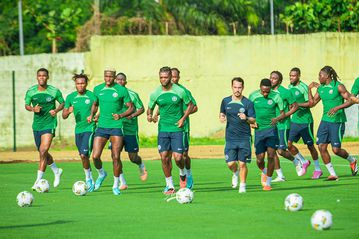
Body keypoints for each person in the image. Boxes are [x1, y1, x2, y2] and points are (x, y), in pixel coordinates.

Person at [147, 66, 194, 195]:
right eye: (161, 77)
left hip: (177, 129)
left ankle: (183, 173)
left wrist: (183, 118)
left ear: (170, 78)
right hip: (163, 129)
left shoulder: (180, 91)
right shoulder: (155, 93)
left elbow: (191, 105)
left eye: (166, 77)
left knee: (179, 158)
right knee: (164, 157)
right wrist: (150, 116)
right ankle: (170, 185)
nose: (163, 80)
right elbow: (149, 108)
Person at [88, 69, 134, 195]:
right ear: (104, 77)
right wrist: (92, 114)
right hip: (102, 126)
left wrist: (121, 115)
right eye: (106, 76)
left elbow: (131, 107)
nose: (108, 79)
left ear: (114, 77)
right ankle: (102, 173)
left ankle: (115, 185)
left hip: (116, 127)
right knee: (95, 156)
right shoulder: (97, 89)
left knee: (116, 156)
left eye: (110, 76)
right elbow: (95, 104)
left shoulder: (121, 90)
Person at [308, 66, 358, 180]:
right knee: (321, 146)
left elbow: (351, 100)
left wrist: (338, 107)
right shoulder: (320, 89)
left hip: (337, 121)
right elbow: (312, 103)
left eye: (320, 75)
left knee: (336, 150)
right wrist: (309, 90)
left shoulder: (338, 86)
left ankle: (352, 160)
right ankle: (333, 174)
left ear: (327, 76)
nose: (318, 77)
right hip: (325, 121)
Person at [25, 68, 64, 190]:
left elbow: (63, 103)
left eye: (44, 76)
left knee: (43, 151)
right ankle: (56, 170)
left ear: (47, 77)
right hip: (37, 125)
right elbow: (26, 105)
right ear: (37, 77)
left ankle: (38, 181)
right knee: (43, 152)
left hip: (49, 124)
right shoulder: (31, 91)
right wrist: (33, 109)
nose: (42, 77)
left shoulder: (54, 91)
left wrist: (56, 110)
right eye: (39, 76)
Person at [220, 77, 255, 193]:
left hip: (244, 138)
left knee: (243, 163)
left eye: (239, 87)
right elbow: (222, 112)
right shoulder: (225, 101)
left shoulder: (248, 103)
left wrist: (246, 118)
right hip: (230, 138)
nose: (237, 90)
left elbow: (253, 119)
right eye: (235, 87)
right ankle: (235, 173)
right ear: (232, 87)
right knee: (230, 163)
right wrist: (222, 116)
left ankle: (243, 186)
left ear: (243, 88)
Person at [62, 73, 96, 192]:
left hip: (90, 128)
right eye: (78, 83)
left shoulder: (92, 95)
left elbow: (100, 108)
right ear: (75, 84)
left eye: (82, 83)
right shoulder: (70, 97)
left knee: (84, 154)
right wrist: (68, 111)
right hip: (78, 130)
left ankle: (88, 179)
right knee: (82, 156)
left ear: (86, 84)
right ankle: (90, 176)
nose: (80, 85)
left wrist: (95, 116)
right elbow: (64, 115)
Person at [249, 78, 285, 191]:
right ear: (260, 87)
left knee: (271, 155)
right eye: (263, 91)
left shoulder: (276, 96)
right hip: (259, 131)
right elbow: (249, 113)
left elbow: (283, 113)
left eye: (267, 91)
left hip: (271, 130)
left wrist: (277, 118)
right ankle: (264, 171)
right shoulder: (253, 96)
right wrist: (251, 123)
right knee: (259, 159)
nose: (265, 93)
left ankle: (268, 182)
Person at [287, 67, 323, 179]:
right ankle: (303, 161)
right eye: (290, 75)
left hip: (305, 121)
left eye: (293, 76)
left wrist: (298, 104)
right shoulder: (289, 87)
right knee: (288, 144)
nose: (291, 77)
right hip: (294, 121)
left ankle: (317, 169)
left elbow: (311, 103)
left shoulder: (303, 87)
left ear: (298, 76)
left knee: (310, 146)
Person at [115, 72, 148, 190]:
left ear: (125, 82)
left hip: (130, 130)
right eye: (118, 79)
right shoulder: (112, 95)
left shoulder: (132, 94)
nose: (120, 81)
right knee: (115, 156)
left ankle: (141, 164)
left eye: (122, 80)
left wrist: (132, 115)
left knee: (133, 157)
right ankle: (122, 182)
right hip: (116, 129)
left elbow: (141, 108)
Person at [270, 71, 301, 182]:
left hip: (283, 125)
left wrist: (284, 115)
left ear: (279, 81)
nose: (271, 80)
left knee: (281, 151)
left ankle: (296, 161)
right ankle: (280, 175)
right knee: (272, 151)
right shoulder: (268, 92)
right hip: (272, 125)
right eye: (271, 78)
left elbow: (296, 107)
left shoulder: (285, 92)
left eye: (274, 78)